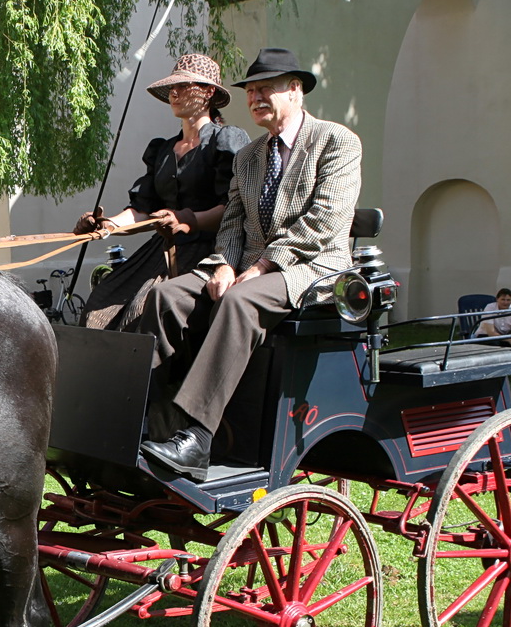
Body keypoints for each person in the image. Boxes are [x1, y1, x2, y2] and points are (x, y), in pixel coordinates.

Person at [137, 47, 362, 479]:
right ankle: (150, 417)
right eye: (251, 91)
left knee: (239, 301)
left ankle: (199, 438)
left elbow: (324, 222)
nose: (255, 97)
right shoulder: (250, 155)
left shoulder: (337, 142)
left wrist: (258, 268)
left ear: (295, 91)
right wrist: (222, 264)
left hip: (314, 268)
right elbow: (233, 224)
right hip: (245, 267)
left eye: (266, 89)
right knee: (166, 295)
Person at [76, 54, 250, 330]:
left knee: (140, 311)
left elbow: (234, 207)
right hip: (161, 249)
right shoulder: (163, 149)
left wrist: (186, 220)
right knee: (100, 303)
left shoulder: (226, 140)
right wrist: (105, 226)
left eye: (184, 86)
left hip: (210, 249)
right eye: (172, 87)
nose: (175, 93)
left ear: (209, 92)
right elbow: (142, 210)